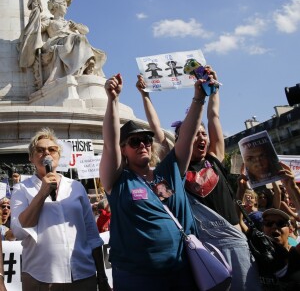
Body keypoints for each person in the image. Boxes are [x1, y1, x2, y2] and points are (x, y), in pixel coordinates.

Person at [135, 68, 261, 290]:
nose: (201, 137)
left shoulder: (215, 157)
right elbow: (157, 130)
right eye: (195, 133)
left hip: (235, 239)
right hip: (203, 246)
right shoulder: (177, 169)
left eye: (203, 133)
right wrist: (145, 95)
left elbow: (213, 116)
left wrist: (212, 89)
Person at [100, 73, 207, 291]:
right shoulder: (119, 181)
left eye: (147, 140)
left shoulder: (168, 171)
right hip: (137, 278)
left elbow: (186, 136)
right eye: (135, 141)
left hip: (182, 270)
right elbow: (110, 144)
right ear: (124, 150)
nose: (143, 145)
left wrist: (199, 97)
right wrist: (112, 101)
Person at [10, 127, 111, 291]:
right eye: (40, 150)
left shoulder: (76, 187)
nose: (47, 153)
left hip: (82, 275)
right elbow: (19, 231)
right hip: (41, 277)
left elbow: (92, 235)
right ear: (31, 157)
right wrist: (42, 194)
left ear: (58, 156)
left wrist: (101, 275)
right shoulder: (22, 189)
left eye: (52, 149)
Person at [18, 0, 106, 88]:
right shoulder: (50, 21)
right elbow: (36, 28)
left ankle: (83, 65)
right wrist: (35, 16)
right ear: (56, 7)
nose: (66, 7)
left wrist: (76, 26)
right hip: (57, 40)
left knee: (81, 38)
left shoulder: (69, 23)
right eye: (64, 5)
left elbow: (86, 30)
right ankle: (77, 68)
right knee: (76, 38)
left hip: (70, 40)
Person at [259, 208, 300, 290]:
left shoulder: (297, 254)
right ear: (263, 229)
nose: (274, 226)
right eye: (268, 223)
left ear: (290, 230)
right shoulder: (254, 255)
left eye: (280, 223)